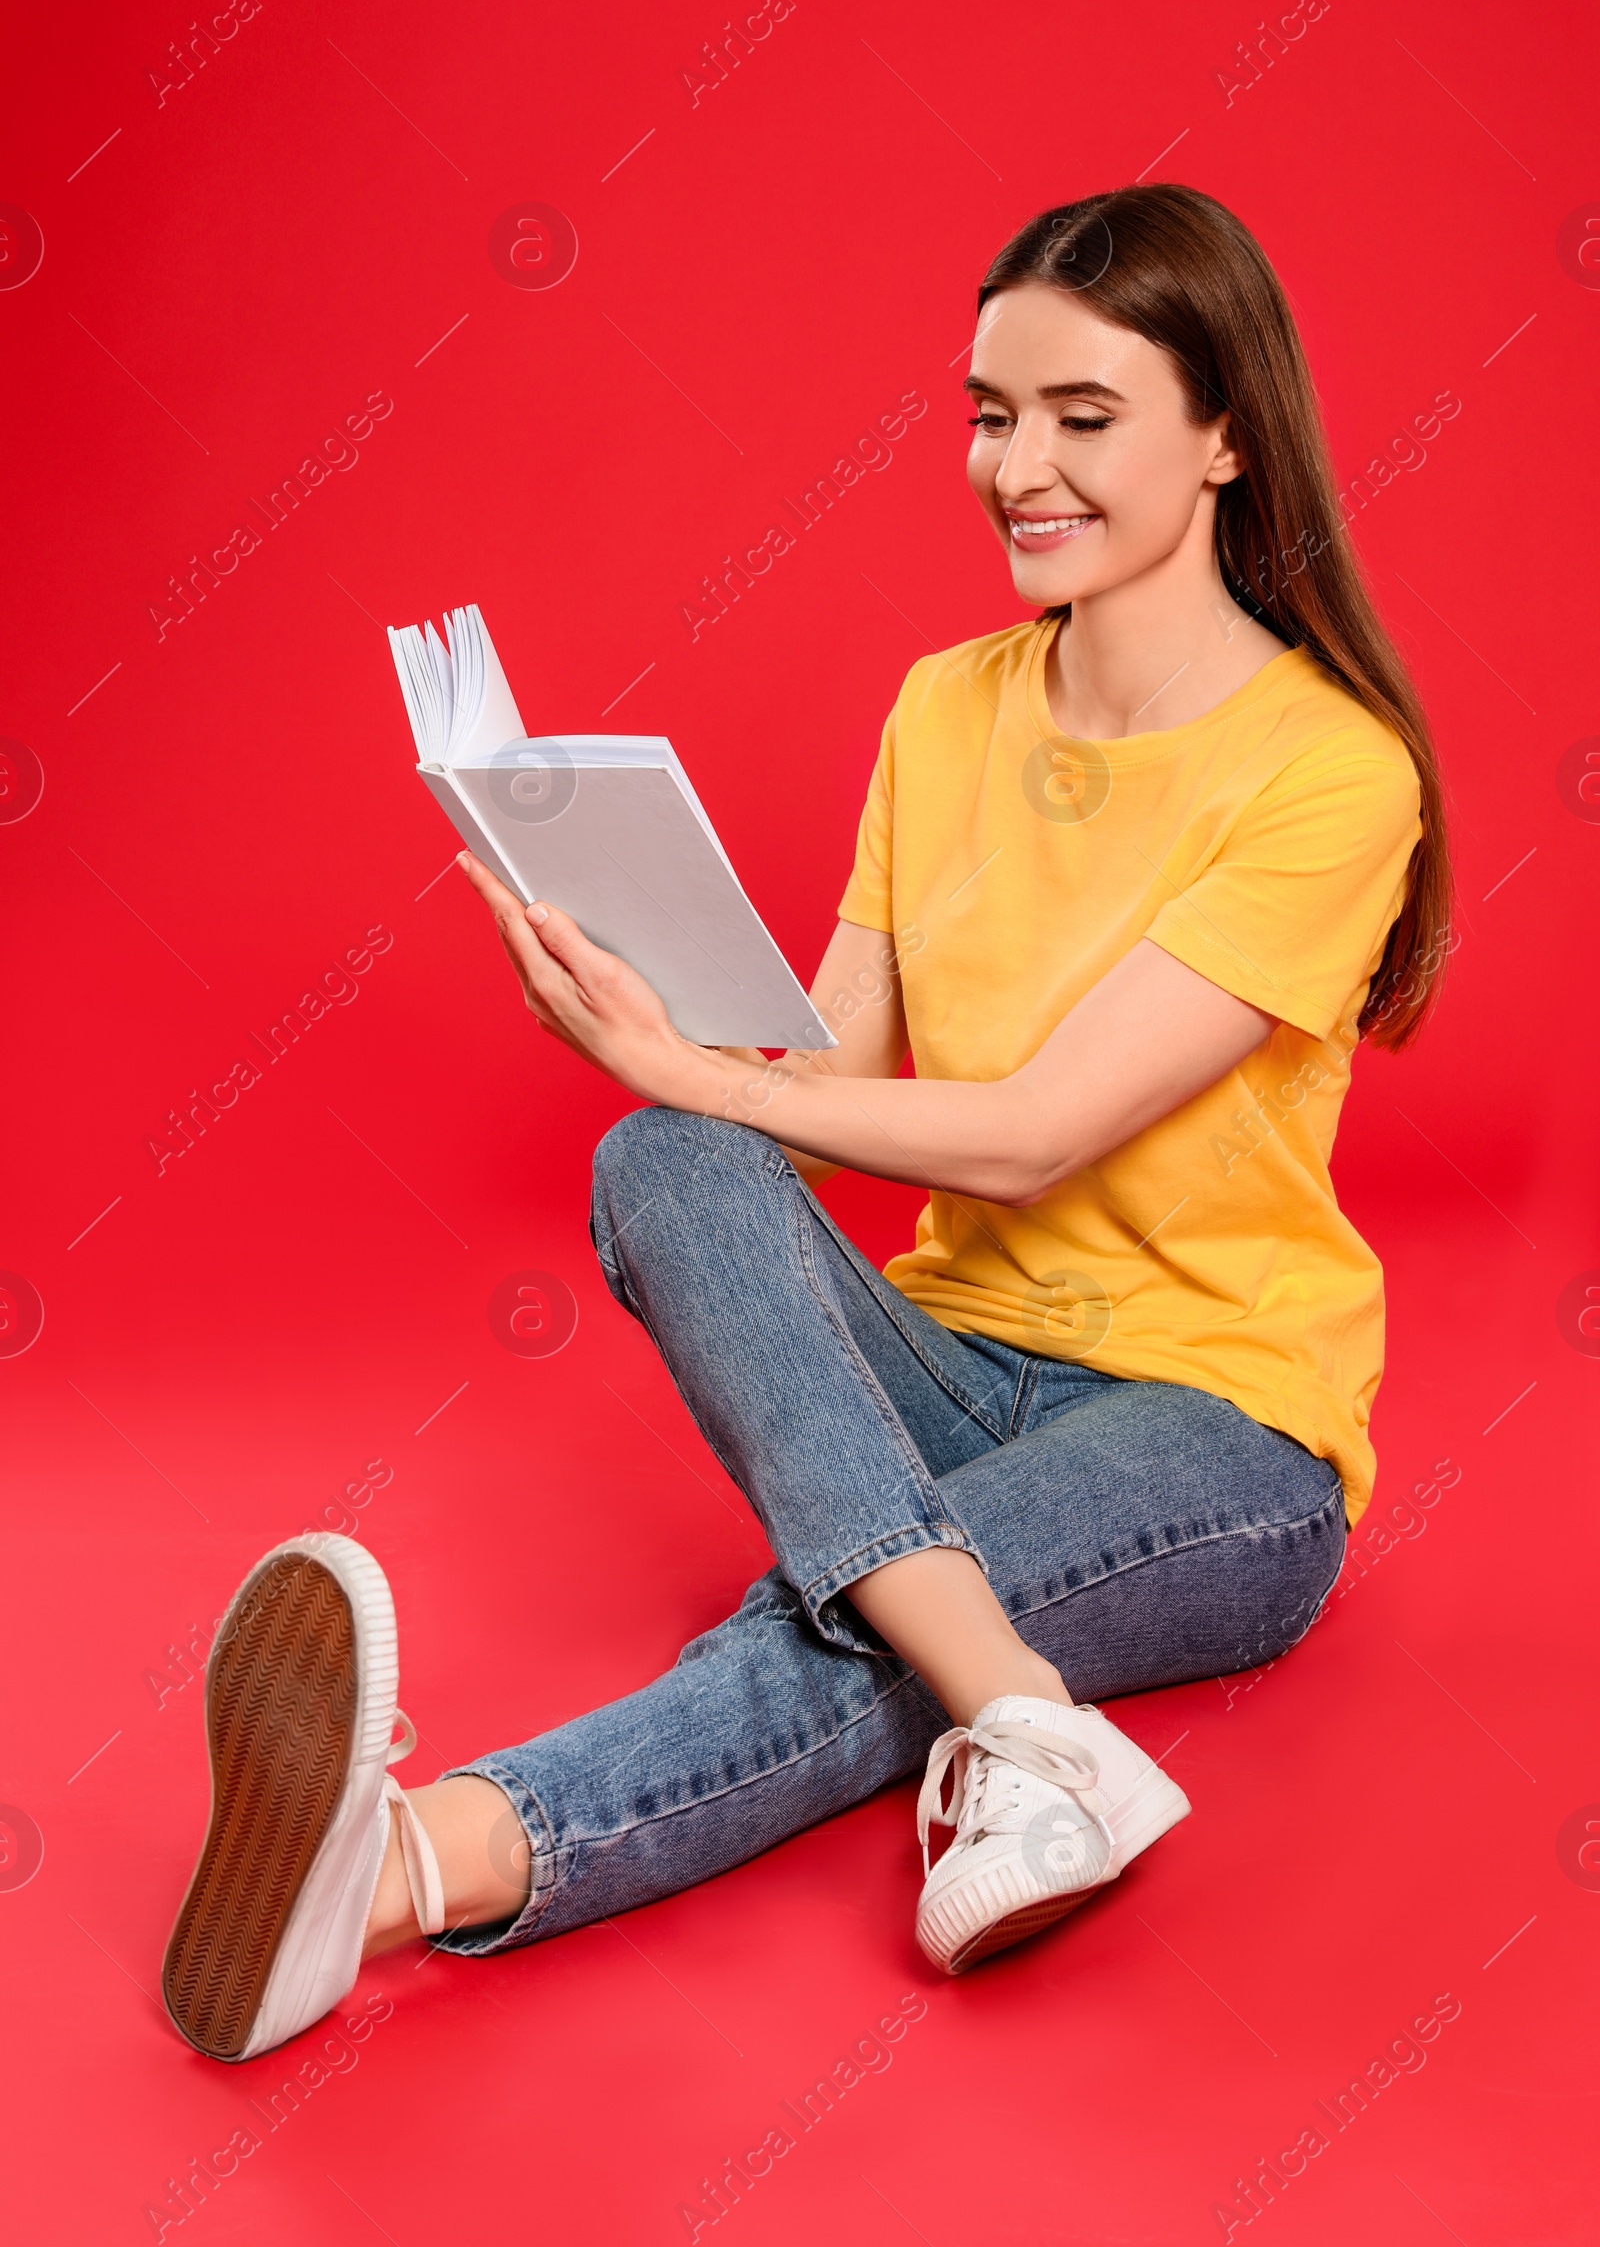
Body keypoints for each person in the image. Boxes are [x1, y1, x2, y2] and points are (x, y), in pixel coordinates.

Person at [161, 184, 1450, 2063]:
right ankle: (1028, 1724)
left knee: (847, 1625)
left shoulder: (1333, 772)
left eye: (1084, 419)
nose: (1021, 468)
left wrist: (698, 1076)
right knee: (664, 1157)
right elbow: (827, 1093)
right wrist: (666, 1031)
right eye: (994, 414)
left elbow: (1029, 1134)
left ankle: (397, 1870)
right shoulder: (946, 709)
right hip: (949, 1360)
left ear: (1227, 432)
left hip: (1221, 1430)